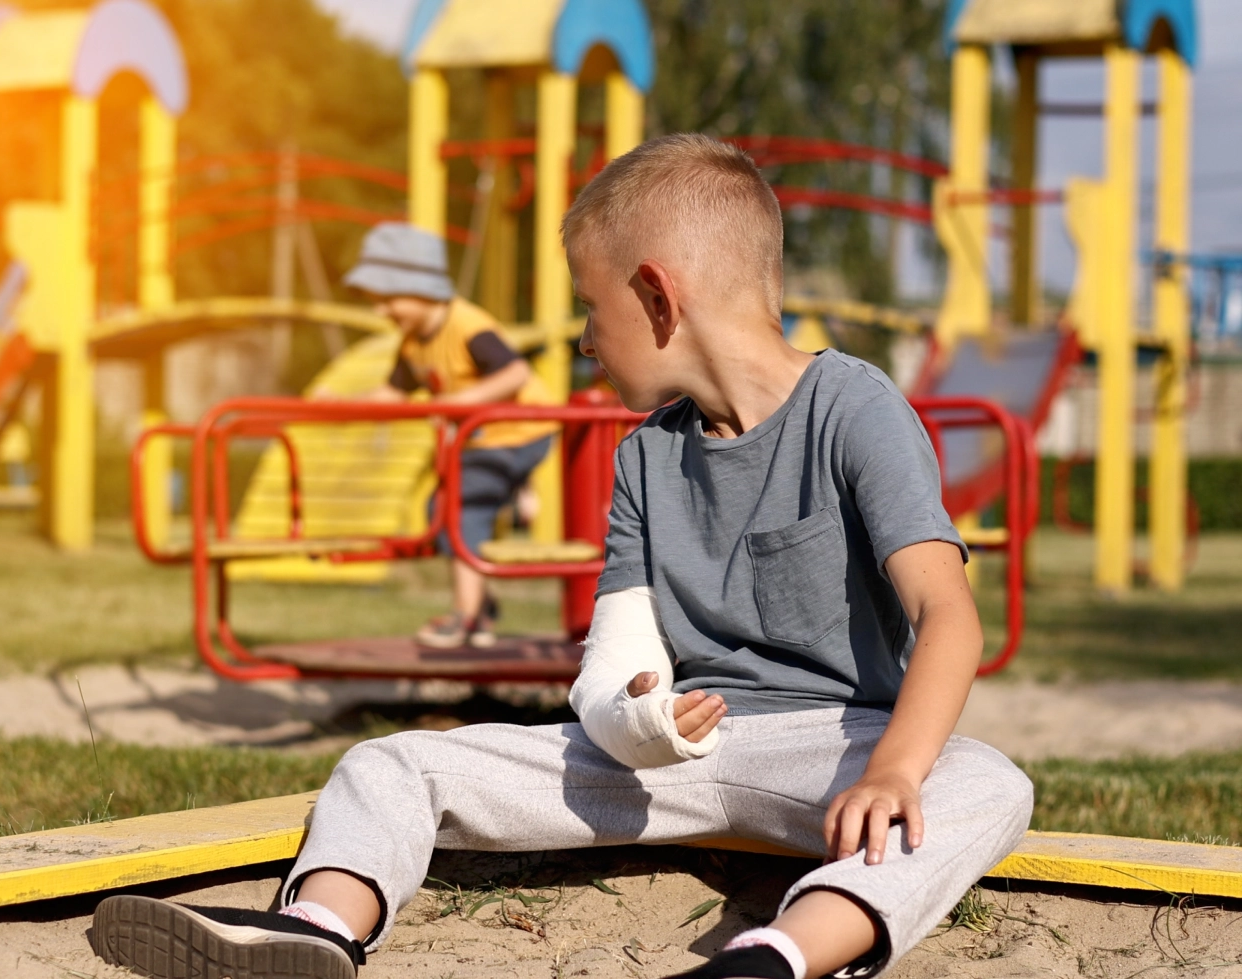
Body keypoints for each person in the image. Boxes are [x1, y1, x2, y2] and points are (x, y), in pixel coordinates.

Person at [89, 135, 1034, 979]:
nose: (584, 339)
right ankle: (318, 931)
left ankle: (775, 957)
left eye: (591, 307)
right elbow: (614, 658)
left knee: (986, 781)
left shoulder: (856, 409)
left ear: (659, 296)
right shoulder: (643, 455)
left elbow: (947, 614)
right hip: (659, 755)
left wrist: (896, 769)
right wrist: (641, 720)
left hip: (835, 749)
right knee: (394, 764)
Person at [320, 221, 559, 649]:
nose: (381, 312)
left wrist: (459, 403)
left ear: (422, 287)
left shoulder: (467, 325)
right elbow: (392, 395)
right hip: (482, 439)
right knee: (439, 507)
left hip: (524, 430)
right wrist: (338, 403)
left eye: (388, 299)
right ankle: (482, 607)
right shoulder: (412, 342)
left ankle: (465, 617)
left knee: (460, 505)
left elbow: (515, 372)